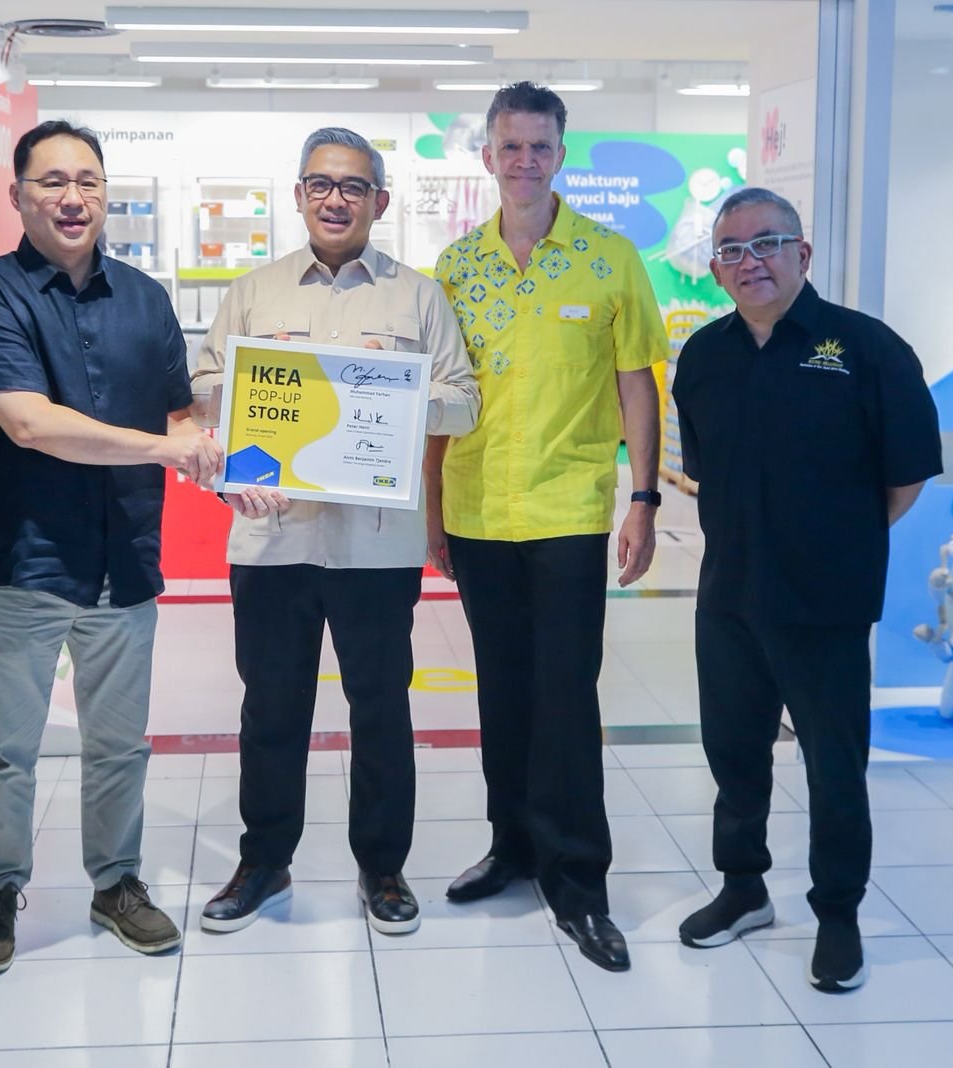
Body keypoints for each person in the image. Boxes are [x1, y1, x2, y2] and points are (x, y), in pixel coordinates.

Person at [0, 121, 222, 973]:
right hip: (22, 558)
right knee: (8, 752)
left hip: (123, 555)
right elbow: (30, 424)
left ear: (106, 193)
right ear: (18, 195)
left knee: (119, 744)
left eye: (89, 182)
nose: (73, 198)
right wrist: (169, 448)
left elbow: (179, 413)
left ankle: (117, 883)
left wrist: (236, 456)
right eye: (53, 181)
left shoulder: (145, 298)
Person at [190, 128, 480, 936]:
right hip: (272, 539)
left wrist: (381, 398)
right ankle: (264, 861)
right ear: (298, 195)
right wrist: (254, 420)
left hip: (376, 548)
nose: (335, 199)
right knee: (270, 708)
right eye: (320, 184)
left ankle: (382, 867)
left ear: (379, 201)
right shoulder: (253, 293)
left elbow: (464, 402)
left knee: (380, 708)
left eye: (353, 186)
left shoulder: (417, 297)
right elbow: (206, 385)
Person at [670, 186, 941, 992]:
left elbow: (905, 475)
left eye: (766, 243)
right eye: (731, 250)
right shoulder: (704, 357)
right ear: (716, 269)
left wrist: (837, 540)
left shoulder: (865, 348)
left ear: (802, 253)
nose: (748, 261)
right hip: (728, 593)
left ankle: (839, 915)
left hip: (825, 598)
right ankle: (743, 888)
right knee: (733, 752)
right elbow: (704, 471)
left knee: (833, 764)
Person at [428, 82, 667, 973]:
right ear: (487, 156)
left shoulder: (609, 259)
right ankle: (513, 845)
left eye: (540, 146)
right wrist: (433, 510)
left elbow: (637, 382)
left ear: (561, 155)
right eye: (510, 146)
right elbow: (437, 399)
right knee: (502, 691)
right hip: (479, 508)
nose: (524, 161)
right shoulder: (456, 267)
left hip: (568, 510)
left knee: (566, 695)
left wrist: (644, 498)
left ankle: (578, 878)